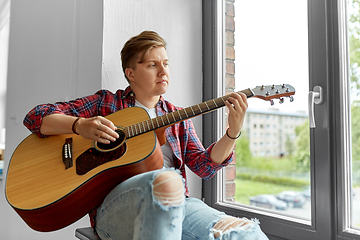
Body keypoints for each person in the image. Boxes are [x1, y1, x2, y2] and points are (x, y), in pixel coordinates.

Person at [24, 31, 268, 240]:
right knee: (167, 180)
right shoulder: (106, 104)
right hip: (116, 209)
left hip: (178, 206)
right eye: (152, 65)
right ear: (131, 73)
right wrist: (80, 125)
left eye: (166, 63)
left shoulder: (176, 116)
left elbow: (204, 167)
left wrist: (232, 132)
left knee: (246, 233)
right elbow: (35, 116)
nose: (163, 71)